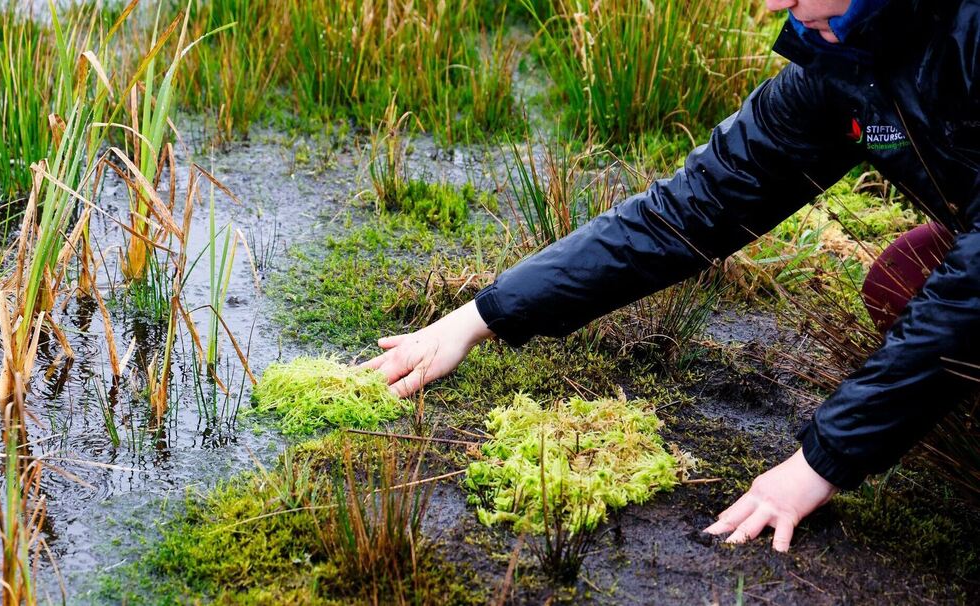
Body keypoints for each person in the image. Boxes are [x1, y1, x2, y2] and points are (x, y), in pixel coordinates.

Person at [363, 0, 980, 552]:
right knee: (900, 282)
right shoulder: (842, 65)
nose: (775, 4)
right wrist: (482, 316)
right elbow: (692, 208)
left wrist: (821, 462)